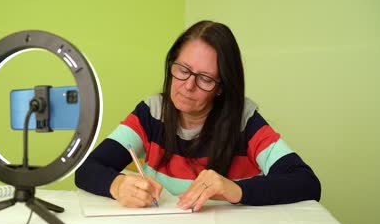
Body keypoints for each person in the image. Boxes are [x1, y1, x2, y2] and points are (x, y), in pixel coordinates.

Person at [75, 20, 321, 211]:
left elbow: (306, 182)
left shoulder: (244, 121)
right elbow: (87, 168)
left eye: (204, 78)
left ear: (221, 86)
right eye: (183, 69)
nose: (188, 86)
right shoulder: (152, 112)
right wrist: (117, 185)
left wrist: (234, 189)